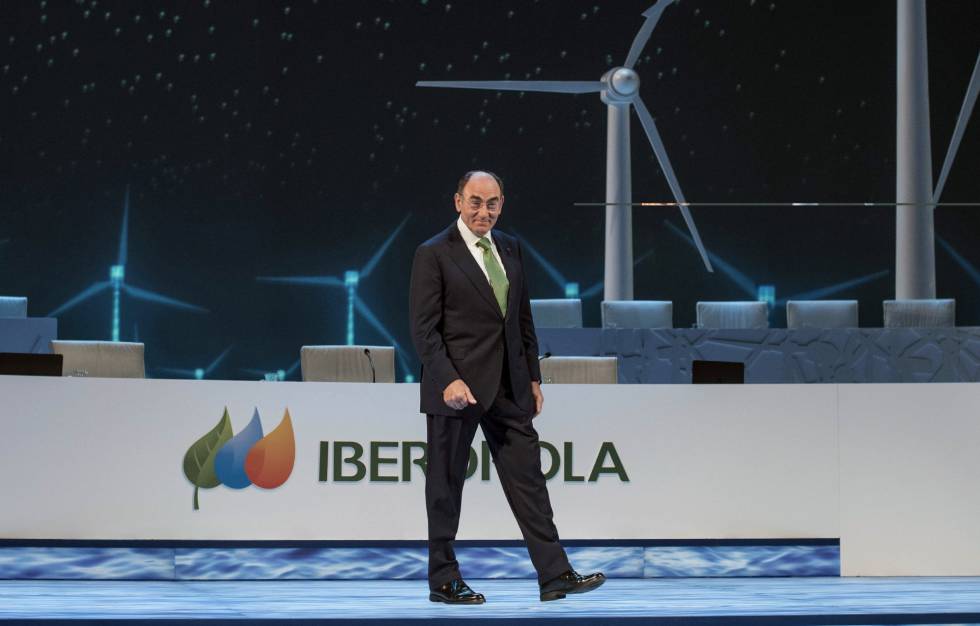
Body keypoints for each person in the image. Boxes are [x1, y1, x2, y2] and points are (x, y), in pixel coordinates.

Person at [408, 170, 605, 604]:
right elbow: (423, 331)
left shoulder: (511, 247)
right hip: (456, 388)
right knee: (445, 486)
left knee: (529, 480)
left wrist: (533, 377)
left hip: (509, 386)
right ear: (458, 202)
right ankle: (443, 579)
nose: (484, 211)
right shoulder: (433, 252)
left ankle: (554, 574)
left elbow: (521, 319)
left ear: (502, 203)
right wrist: (448, 379)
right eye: (475, 202)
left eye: (492, 203)